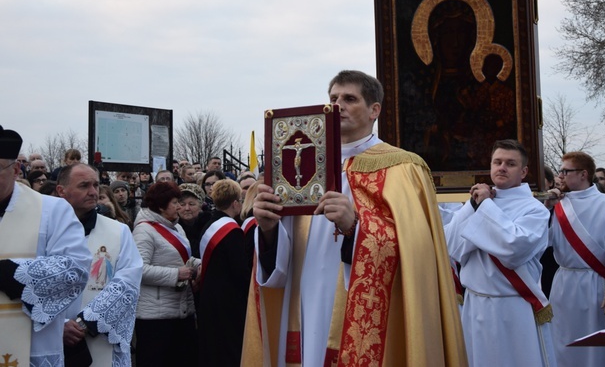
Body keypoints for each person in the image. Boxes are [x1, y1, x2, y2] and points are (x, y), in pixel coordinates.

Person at [243, 70, 466, 366]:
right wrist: (268, 229)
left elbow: (419, 255)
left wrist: (355, 228)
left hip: (366, 310)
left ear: (375, 110)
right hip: (304, 303)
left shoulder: (403, 168)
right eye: (333, 98)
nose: (338, 105)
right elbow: (281, 260)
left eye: (350, 99)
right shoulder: (300, 166)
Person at [445, 139, 555, 366]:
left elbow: (514, 249)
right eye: (497, 162)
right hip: (474, 303)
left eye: (510, 163)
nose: (502, 167)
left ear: (523, 171)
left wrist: (485, 207)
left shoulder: (534, 209)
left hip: (513, 306)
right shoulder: (476, 202)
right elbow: (451, 247)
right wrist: (474, 207)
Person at [0, 126, 91, 367]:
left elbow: (75, 268)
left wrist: (9, 272)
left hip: (31, 346)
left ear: (16, 169)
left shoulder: (52, 210)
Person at [549, 151, 605, 367]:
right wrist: (546, 208)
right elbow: (541, 242)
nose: (560, 176)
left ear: (583, 174)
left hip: (598, 285)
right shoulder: (557, 204)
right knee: (564, 342)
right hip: (565, 284)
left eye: (565, 171)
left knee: (597, 346)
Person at [56, 163, 143, 366]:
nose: (93, 192)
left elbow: (128, 281)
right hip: (51, 336)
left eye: (95, 185)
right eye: (84, 185)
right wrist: (58, 326)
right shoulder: (44, 230)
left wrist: (86, 322)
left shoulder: (118, 231)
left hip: (100, 336)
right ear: (62, 190)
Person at [133, 182, 199, 367]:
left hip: (180, 310)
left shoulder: (176, 227)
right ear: (161, 206)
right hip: (155, 317)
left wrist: (199, 264)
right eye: (175, 202)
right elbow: (139, 269)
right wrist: (176, 274)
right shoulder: (144, 230)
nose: (179, 206)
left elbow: (183, 259)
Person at [198, 179, 250, 366]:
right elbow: (240, 270)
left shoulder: (209, 224)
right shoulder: (231, 231)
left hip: (210, 298)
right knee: (228, 350)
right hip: (228, 301)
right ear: (235, 203)